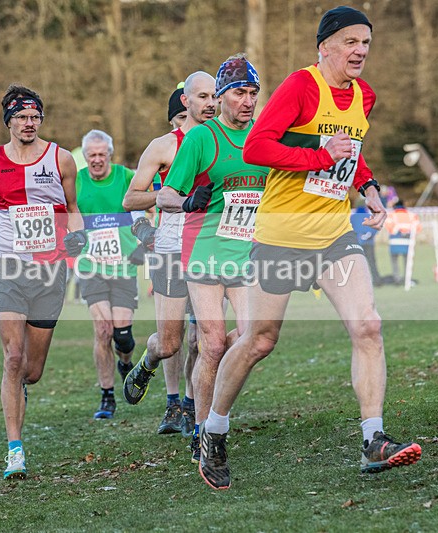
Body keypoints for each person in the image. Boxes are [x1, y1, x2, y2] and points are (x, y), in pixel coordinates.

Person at [200, 6, 422, 490]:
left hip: (333, 236)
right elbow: (259, 146)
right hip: (280, 236)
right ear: (325, 47)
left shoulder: (364, 94)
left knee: (368, 325)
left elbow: (351, 152)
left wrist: (369, 188)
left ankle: (374, 439)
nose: (360, 50)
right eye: (350, 42)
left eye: (365, 42)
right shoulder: (301, 87)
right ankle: (213, 429)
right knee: (259, 341)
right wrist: (318, 156)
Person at [0, 85, 85, 480]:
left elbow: (73, 209)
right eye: (22, 117)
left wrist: (78, 236)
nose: (29, 124)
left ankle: (20, 389)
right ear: (8, 120)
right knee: (12, 358)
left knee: (31, 370)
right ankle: (15, 449)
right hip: (7, 266)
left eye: (35, 117)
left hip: (50, 270)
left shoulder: (60, 158)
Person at [157, 54, 269, 464]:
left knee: (255, 337)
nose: (248, 100)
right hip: (203, 252)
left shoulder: (262, 137)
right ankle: (204, 429)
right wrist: (187, 200)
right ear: (221, 97)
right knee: (213, 343)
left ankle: (215, 414)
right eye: (240, 92)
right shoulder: (203, 138)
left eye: (253, 93)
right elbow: (166, 195)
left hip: (246, 254)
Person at [121, 72, 217, 437]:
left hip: (210, 250)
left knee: (206, 339)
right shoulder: (163, 146)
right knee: (171, 342)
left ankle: (195, 413)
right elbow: (130, 199)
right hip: (170, 250)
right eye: (202, 97)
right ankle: (147, 363)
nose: (209, 104)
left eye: (214, 97)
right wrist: (167, 200)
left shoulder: (225, 142)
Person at [74, 129, 141, 419]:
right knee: (103, 330)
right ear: (85, 156)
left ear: (110, 155)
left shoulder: (126, 178)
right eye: (92, 155)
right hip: (91, 267)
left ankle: (125, 362)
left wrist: (144, 243)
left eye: (102, 154)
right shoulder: (75, 181)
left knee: (122, 336)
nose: (97, 160)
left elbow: (145, 208)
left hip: (124, 266)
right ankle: (107, 396)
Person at [385, 199, 422, 285]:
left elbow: (389, 228)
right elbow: (418, 228)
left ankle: (397, 278)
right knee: (407, 262)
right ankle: (407, 279)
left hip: (394, 243)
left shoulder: (391, 215)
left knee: (394, 262)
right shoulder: (411, 215)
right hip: (407, 243)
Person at [351, 203, 383, 286]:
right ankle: (377, 280)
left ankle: (358, 282)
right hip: (369, 243)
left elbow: (350, 229)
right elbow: (375, 228)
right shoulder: (369, 216)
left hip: (358, 244)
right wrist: (368, 235)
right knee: (372, 262)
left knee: (358, 263)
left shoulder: (353, 217)